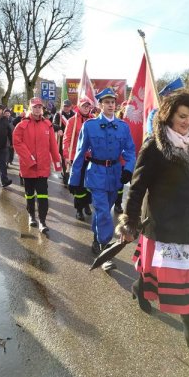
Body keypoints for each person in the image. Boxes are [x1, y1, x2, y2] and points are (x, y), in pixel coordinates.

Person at [116, 92, 189, 366]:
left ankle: (138, 286)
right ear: (169, 115)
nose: (188, 122)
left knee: (160, 275)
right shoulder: (154, 147)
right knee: (183, 285)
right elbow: (137, 188)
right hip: (164, 225)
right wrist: (129, 221)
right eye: (182, 116)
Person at [69, 88, 136, 270]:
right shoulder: (89, 126)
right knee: (104, 212)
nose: (111, 105)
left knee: (103, 212)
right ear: (100, 105)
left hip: (115, 174)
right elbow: (80, 152)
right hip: (96, 173)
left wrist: (128, 169)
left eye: (113, 102)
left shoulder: (123, 126)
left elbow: (130, 151)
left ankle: (96, 240)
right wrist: (74, 179)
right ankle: (105, 251)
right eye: (107, 102)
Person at [13, 97, 61, 233]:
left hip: (43, 167)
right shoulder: (21, 125)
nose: (37, 109)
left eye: (39, 107)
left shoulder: (48, 125)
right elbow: (17, 143)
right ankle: (31, 215)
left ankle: (43, 221)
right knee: (29, 194)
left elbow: (53, 145)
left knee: (43, 195)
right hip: (28, 167)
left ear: (42, 109)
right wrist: (29, 159)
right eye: (34, 107)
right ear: (30, 108)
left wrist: (57, 163)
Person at [63, 97, 94, 221]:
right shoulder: (72, 121)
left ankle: (87, 204)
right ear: (79, 107)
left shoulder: (94, 120)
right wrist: (67, 156)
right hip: (78, 158)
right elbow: (66, 139)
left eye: (88, 106)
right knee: (79, 185)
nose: (86, 108)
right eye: (84, 106)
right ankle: (79, 209)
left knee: (90, 184)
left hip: (92, 158)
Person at [53, 99, 75, 186]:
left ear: (70, 107)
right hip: (62, 141)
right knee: (65, 159)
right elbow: (53, 124)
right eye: (64, 106)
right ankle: (66, 178)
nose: (65, 108)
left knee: (72, 159)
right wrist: (58, 128)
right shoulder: (58, 115)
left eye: (67, 106)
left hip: (73, 141)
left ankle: (70, 174)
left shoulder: (74, 115)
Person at [114, 100, 129, 214]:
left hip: (129, 159)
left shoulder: (135, 123)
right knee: (117, 183)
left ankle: (118, 203)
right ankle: (115, 202)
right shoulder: (117, 123)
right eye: (125, 109)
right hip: (117, 159)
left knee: (122, 183)